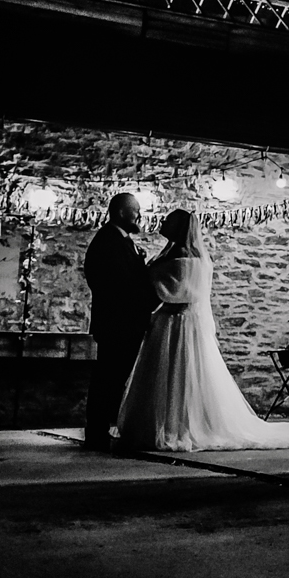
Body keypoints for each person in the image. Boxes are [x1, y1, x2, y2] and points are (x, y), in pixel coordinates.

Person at [113, 210, 289, 452]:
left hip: (177, 323)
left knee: (176, 373)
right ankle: (167, 424)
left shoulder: (184, 256)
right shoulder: (177, 252)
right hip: (175, 322)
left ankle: (175, 426)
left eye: (168, 221)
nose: (163, 223)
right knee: (172, 374)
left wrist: (144, 274)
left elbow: (172, 290)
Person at [82, 192, 158, 449]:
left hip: (119, 322)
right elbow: (124, 285)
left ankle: (99, 430)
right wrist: (154, 302)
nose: (140, 217)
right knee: (109, 378)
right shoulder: (110, 242)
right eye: (136, 211)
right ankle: (96, 433)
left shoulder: (117, 240)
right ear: (124, 213)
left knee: (112, 377)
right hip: (119, 323)